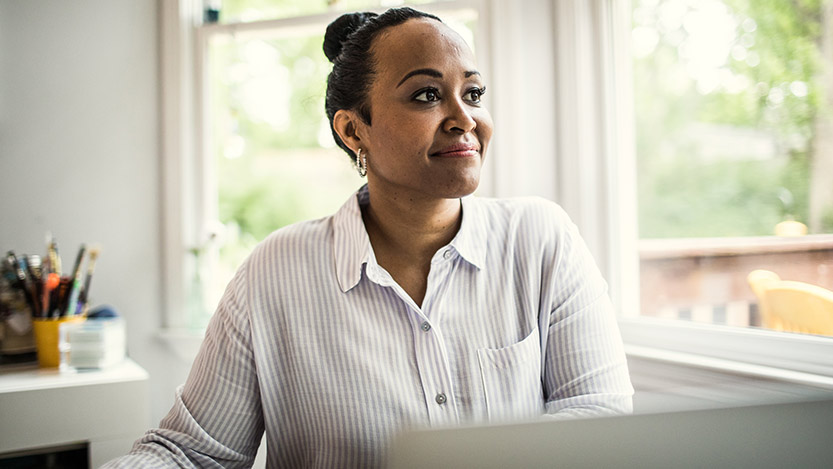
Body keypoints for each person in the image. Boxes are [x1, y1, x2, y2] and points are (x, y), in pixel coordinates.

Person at [104, 6, 633, 468]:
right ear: (353, 130)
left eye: (473, 92)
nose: (463, 118)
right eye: (427, 95)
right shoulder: (274, 273)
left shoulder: (541, 240)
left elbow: (598, 421)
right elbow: (190, 454)